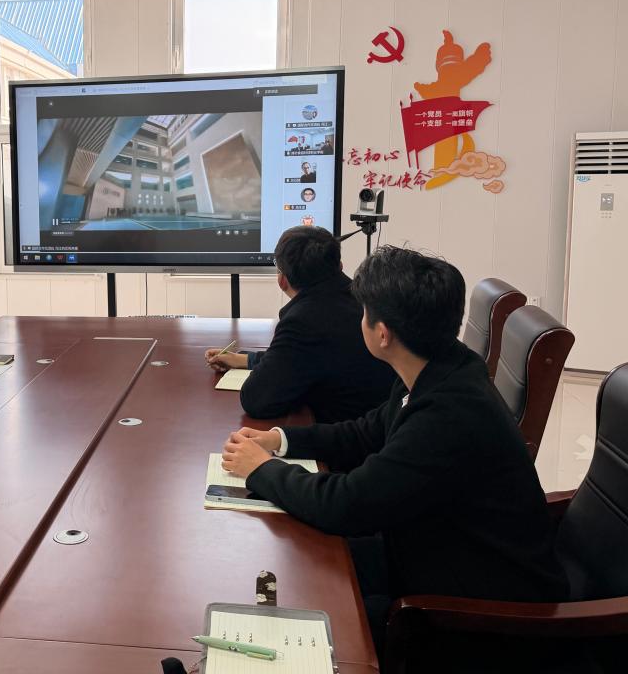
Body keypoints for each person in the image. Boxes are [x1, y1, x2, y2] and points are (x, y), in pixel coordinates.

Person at [220, 246, 569, 660]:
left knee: (299, 608)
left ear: (382, 334)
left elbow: (346, 504)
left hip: (476, 617)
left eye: (362, 312)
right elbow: (366, 431)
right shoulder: (441, 365)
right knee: (295, 563)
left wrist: (261, 470)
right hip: (432, 550)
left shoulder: (447, 415)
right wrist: (281, 440)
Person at [205, 226, 394, 423]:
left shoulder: (303, 321)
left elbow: (257, 399)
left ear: (282, 280)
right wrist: (245, 360)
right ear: (340, 266)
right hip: (387, 424)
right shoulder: (365, 298)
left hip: (349, 434)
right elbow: (306, 357)